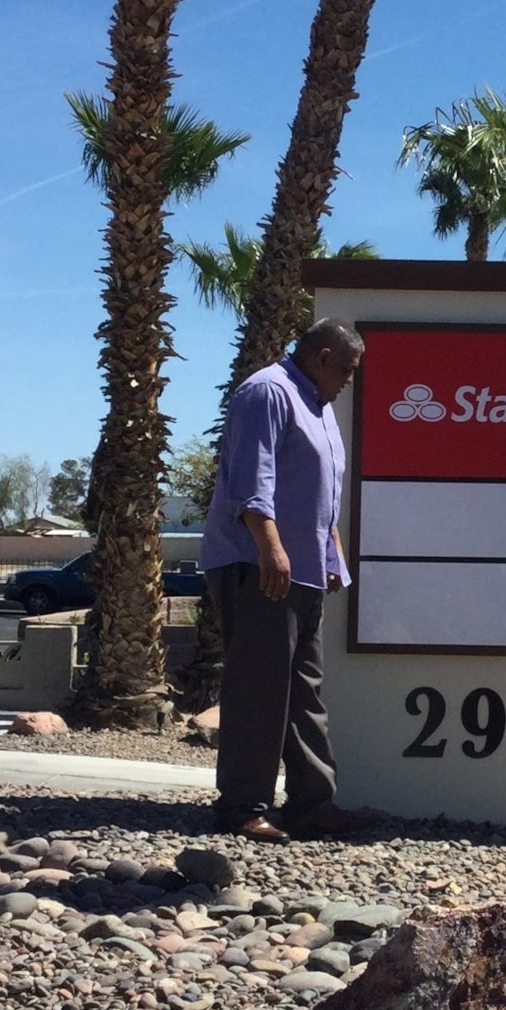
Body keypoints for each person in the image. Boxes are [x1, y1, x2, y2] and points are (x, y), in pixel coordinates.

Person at [200, 317, 365, 843]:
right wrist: (270, 548)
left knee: (303, 687)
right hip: (259, 566)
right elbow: (253, 479)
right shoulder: (267, 392)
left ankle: (311, 805)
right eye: (346, 369)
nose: (349, 381)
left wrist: (330, 552)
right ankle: (242, 808)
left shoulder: (318, 405)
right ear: (322, 357)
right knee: (258, 689)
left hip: (304, 569)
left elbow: (318, 490)